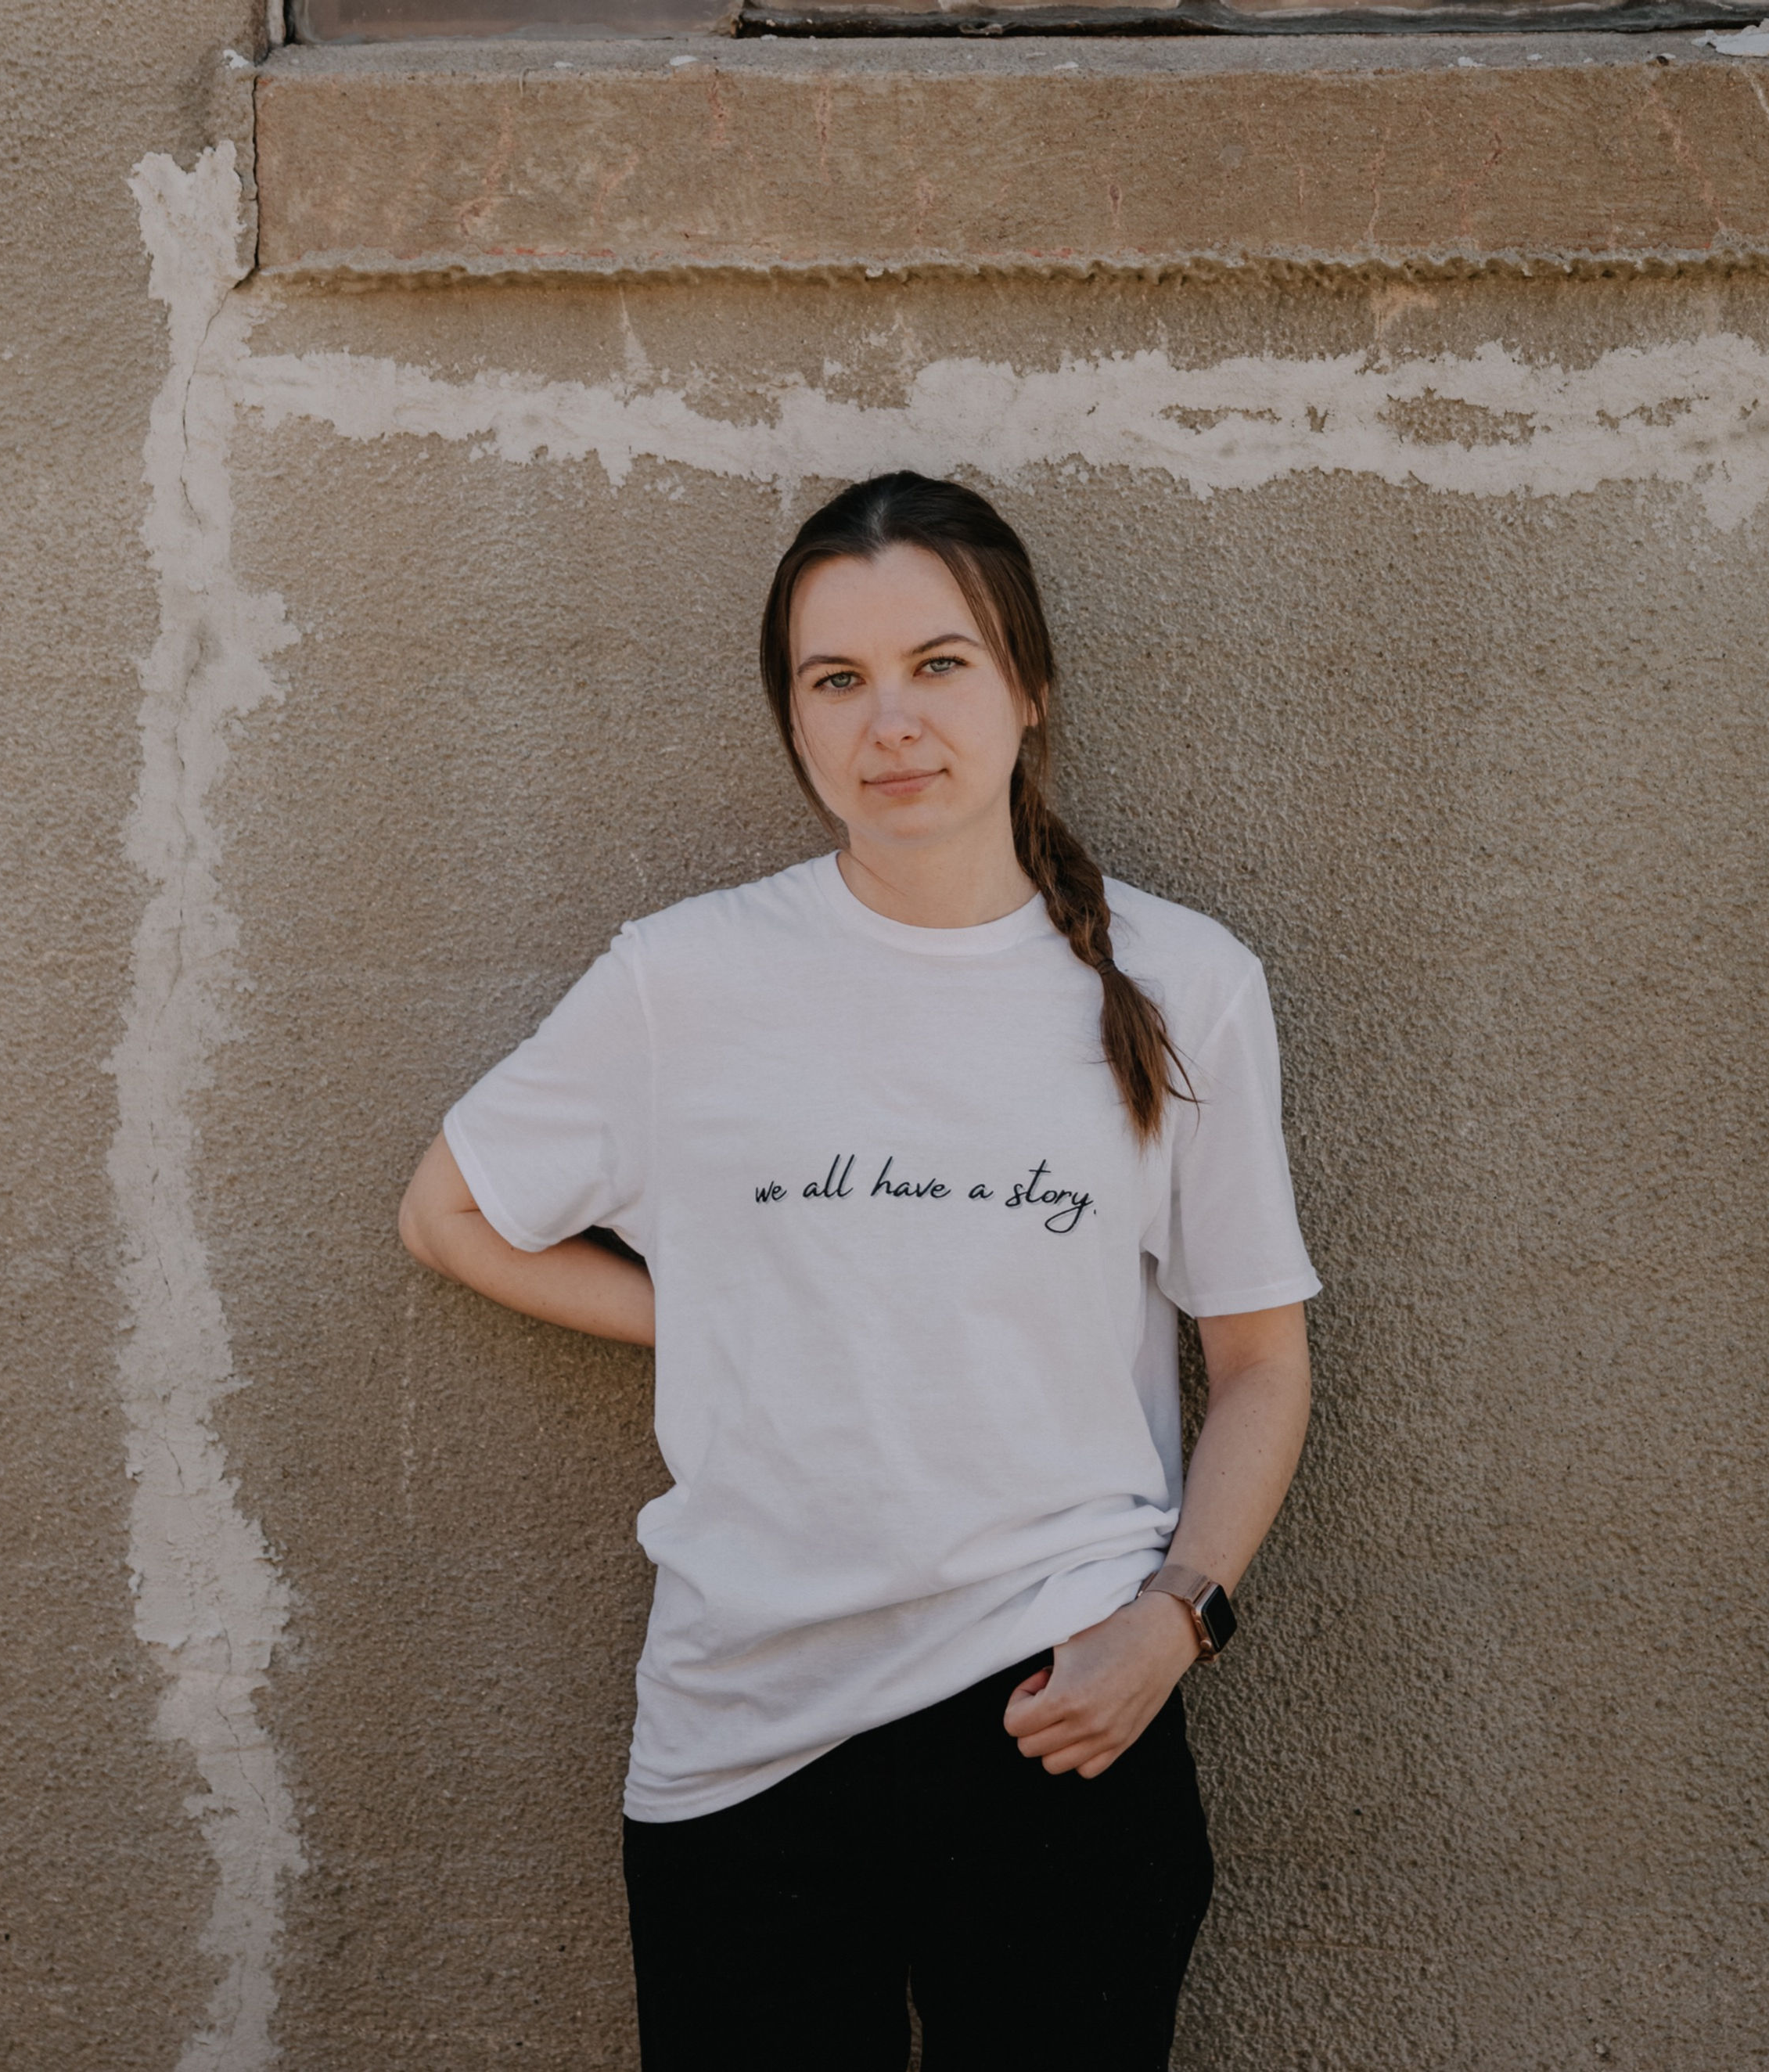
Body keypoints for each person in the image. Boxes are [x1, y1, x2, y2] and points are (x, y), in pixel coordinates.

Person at [399, 472, 1320, 2072]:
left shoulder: (1184, 983)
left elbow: (1261, 1364)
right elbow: (449, 1213)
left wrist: (1175, 1622)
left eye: (939, 664)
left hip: (1060, 1710)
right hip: (747, 1741)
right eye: (837, 680)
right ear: (794, 718)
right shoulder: (687, 979)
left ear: (1029, 688)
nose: (891, 721)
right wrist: (718, 1319)